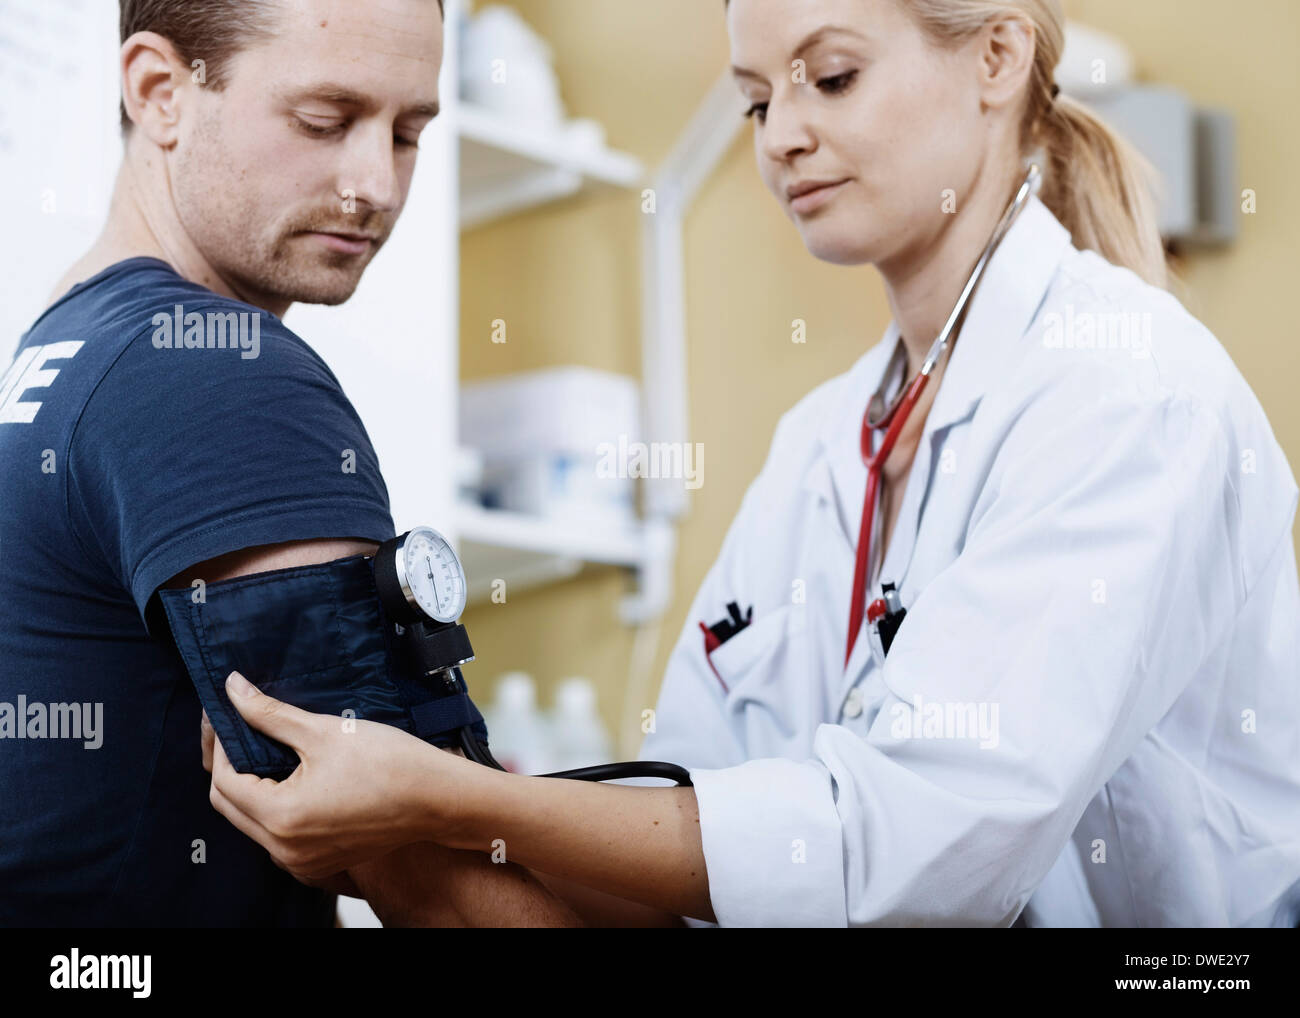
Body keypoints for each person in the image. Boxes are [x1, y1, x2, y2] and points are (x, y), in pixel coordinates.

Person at [216, 0, 1298, 926]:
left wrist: (463, 807)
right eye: (755, 99)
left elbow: (907, 859)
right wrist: (425, 830)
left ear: (997, 58)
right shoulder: (822, 446)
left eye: (829, 77)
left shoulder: (1125, 388)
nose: (780, 134)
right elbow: (704, 844)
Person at [0, 0, 580, 927]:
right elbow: (445, 893)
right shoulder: (213, 368)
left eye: (408, 133)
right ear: (160, 93)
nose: (376, 185)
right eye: (325, 121)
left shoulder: (62, 338)